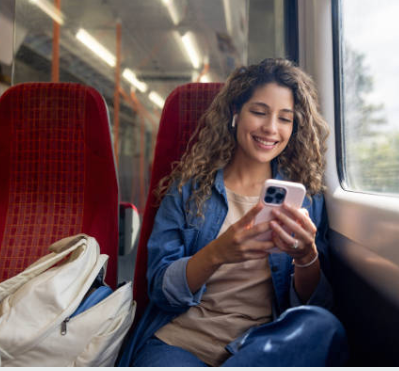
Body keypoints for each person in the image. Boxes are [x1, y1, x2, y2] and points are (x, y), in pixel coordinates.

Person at [118, 58, 348, 367]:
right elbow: (160, 288)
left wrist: (306, 257)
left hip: (259, 346)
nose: (270, 128)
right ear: (236, 114)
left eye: (285, 118)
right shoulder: (187, 188)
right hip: (183, 342)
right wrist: (218, 252)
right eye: (259, 112)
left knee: (322, 325)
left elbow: (313, 303)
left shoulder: (306, 197)